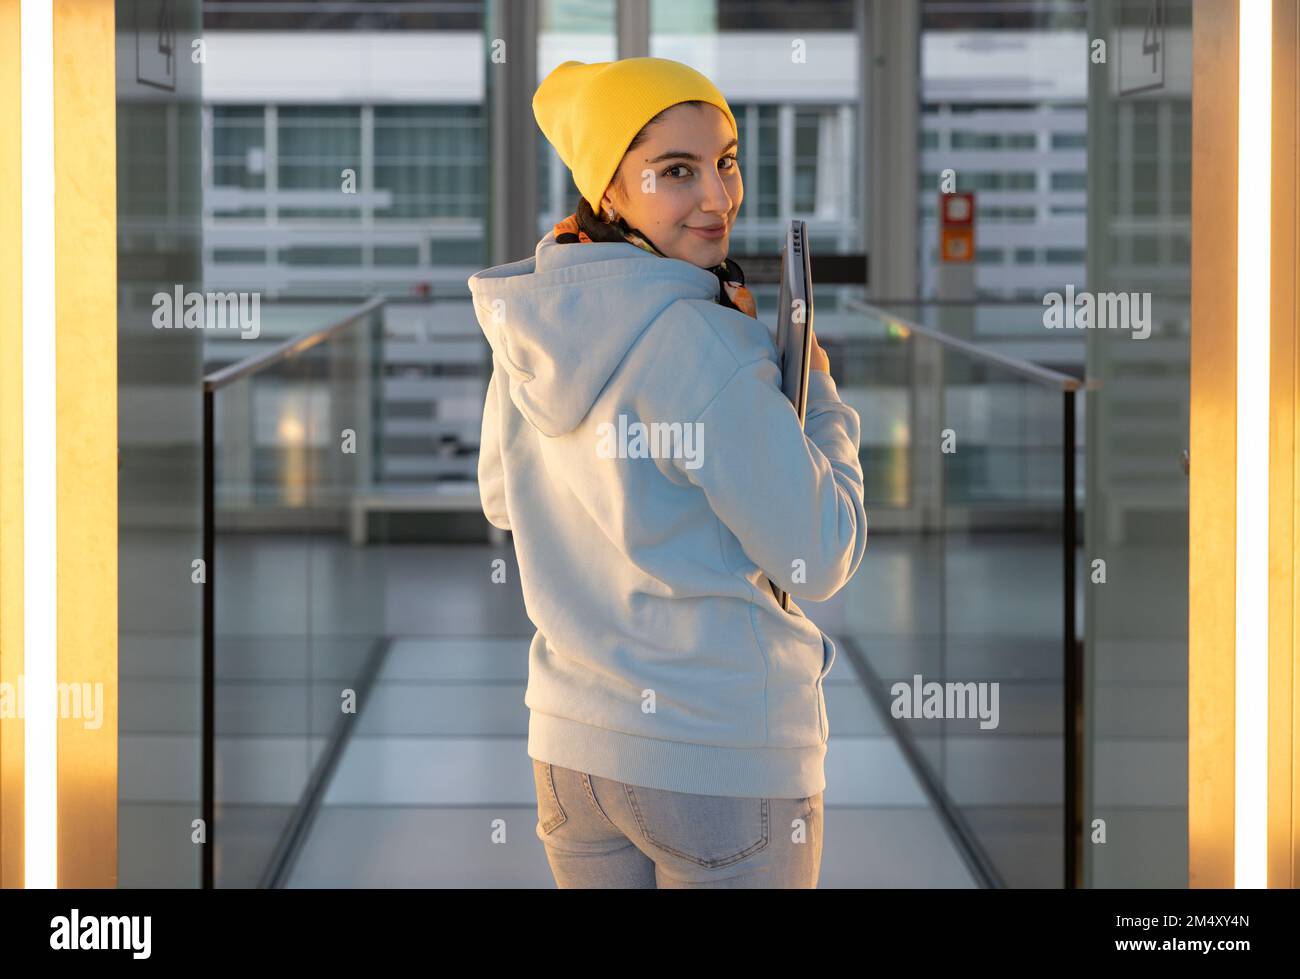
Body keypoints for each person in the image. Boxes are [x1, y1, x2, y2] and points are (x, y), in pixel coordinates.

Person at [467, 57, 868, 888]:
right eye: (676, 171)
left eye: (725, 161)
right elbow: (821, 553)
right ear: (610, 192)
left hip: (572, 754)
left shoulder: (536, 323)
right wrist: (816, 388)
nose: (717, 198)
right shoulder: (705, 342)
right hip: (718, 758)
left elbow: (503, 502)